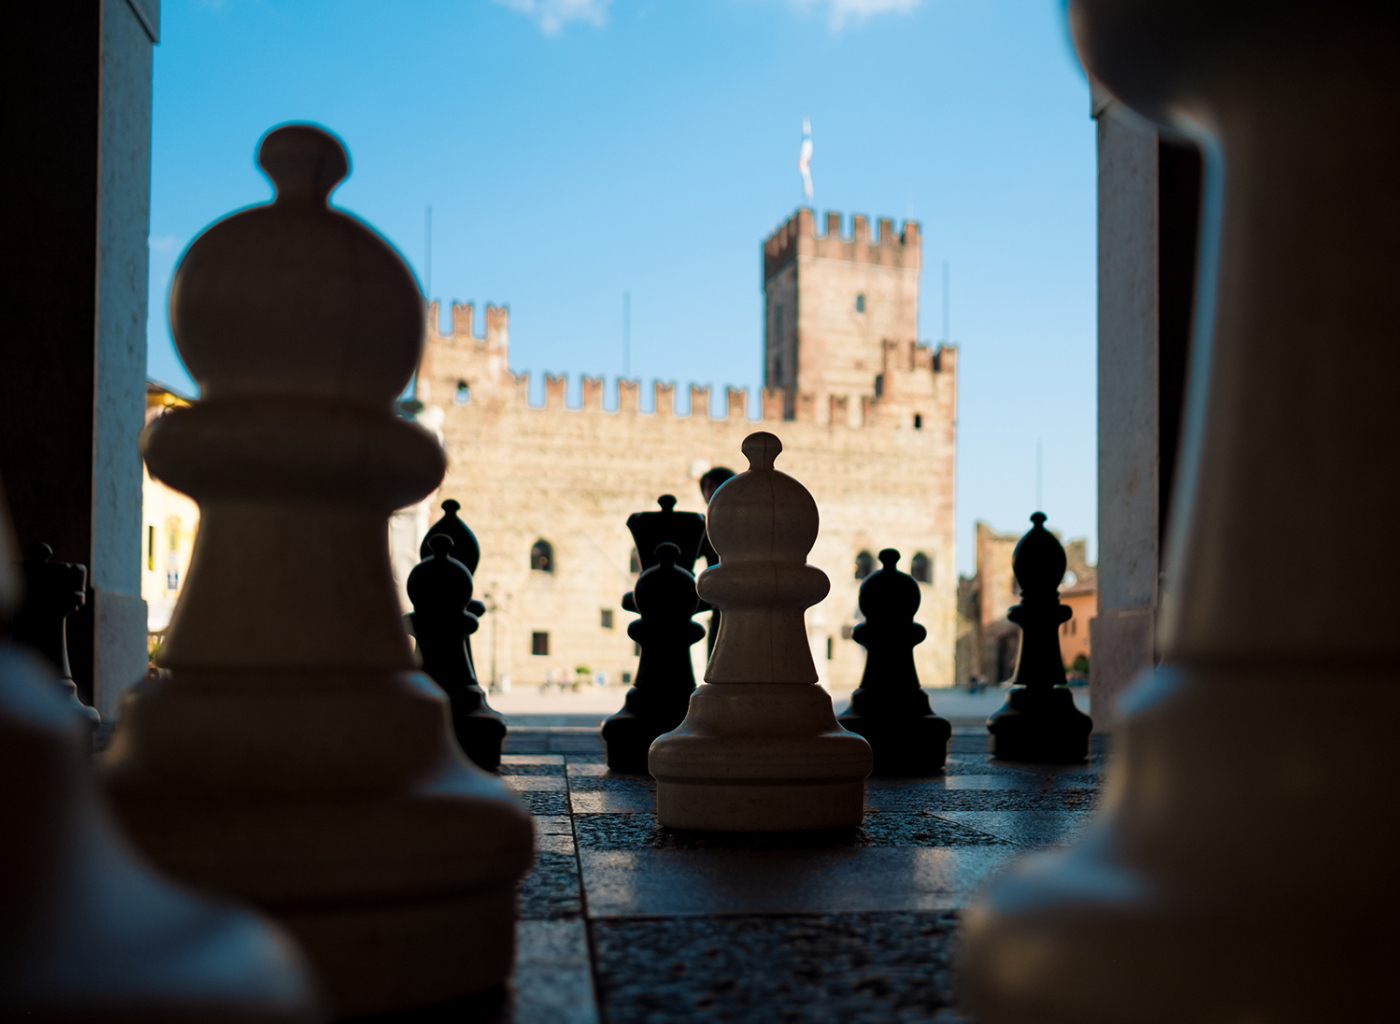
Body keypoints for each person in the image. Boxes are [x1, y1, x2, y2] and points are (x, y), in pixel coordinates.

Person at [698, 466, 736, 656]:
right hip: (718, 600)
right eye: (706, 487)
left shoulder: (742, 522)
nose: (709, 492)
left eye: (714, 486)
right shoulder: (706, 526)